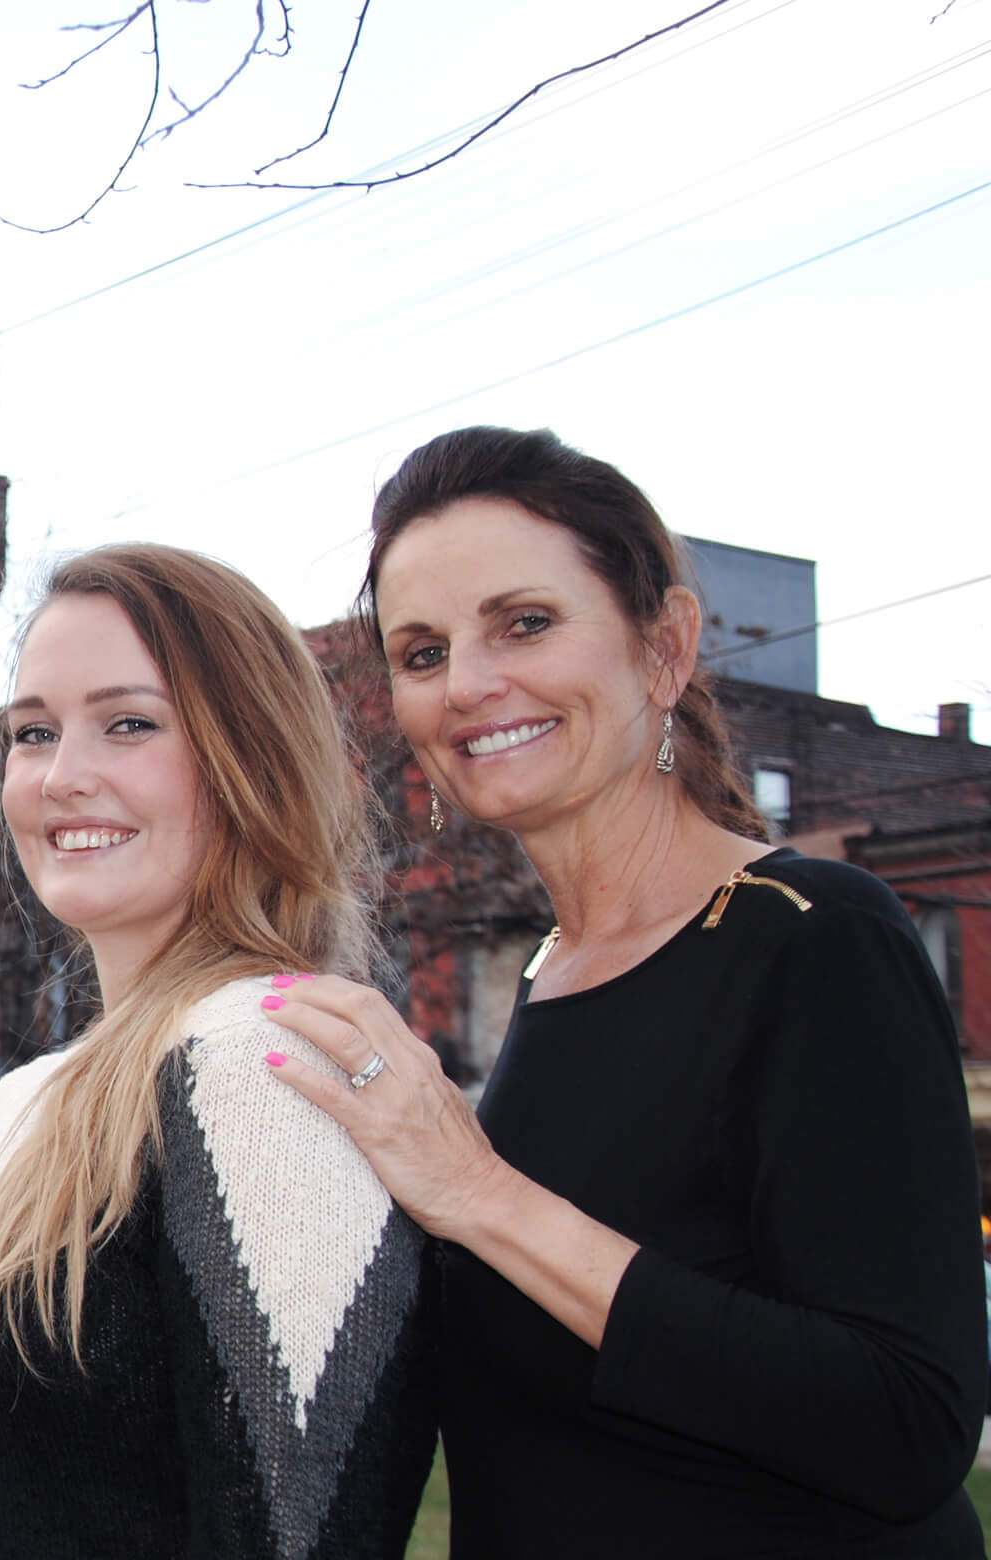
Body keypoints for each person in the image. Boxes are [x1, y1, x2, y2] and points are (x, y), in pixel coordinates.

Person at [262, 426, 987, 1557]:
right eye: (420, 651)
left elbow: (906, 1424)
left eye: (527, 623)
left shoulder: (812, 937)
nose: (470, 684)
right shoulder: (557, 972)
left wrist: (478, 1194)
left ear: (664, 647)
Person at [0, 545, 434, 1559]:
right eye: (32, 732)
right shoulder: (30, 1099)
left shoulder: (262, 1064)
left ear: (253, 760)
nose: (63, 778)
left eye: (130, 724)